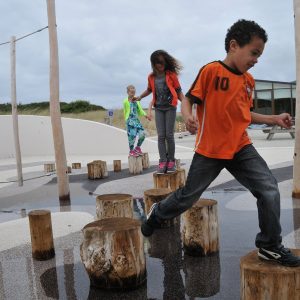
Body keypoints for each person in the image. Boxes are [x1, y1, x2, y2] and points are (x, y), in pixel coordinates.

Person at [141, 19, 300, 267]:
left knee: (268, 188)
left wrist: (274, 118)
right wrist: (189, 114)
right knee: (188, 197)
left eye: (259, 55)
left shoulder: (249, 82)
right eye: (254, 53)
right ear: (234, 45)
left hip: (240, 147)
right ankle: (158, 212)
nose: (256, 59)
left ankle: (270, 246)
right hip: (210, 150)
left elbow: (245, 115)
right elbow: (189, 99)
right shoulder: (211, 71)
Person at [135, 50, 185, 173]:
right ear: (154, 64)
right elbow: (149, 90)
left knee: (169, 135)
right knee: (161, 136)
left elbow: (178, 91)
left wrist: (185, 105)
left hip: (170, 107)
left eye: (162, 62)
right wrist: (140, 97)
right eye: (158, 63)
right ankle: (163, 161)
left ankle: (171, 160)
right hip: (159, 108)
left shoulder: (171, 75)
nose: (160, 65)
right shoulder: (151, 77)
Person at [123, 85, 149, 157]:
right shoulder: (125, 101)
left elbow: (140, 110)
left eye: (134, 92)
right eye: (131, 92)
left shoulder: (137, 100)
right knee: (132, 136)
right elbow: (125, 111)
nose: (133, 94)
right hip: (130, 121)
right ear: (128, 92)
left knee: (142, 135)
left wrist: (145, 115)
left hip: (136, 120)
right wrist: (126, 120)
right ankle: (131, 151)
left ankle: (137, 148)